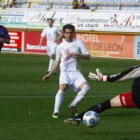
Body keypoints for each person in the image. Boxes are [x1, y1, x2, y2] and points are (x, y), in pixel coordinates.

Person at [64, 65, 140, 125]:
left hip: (136, 98)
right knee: (107, 104)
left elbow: (124, 75)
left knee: (106, 104)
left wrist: (104, 78)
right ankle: (78, 118)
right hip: (134, 97)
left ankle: (78, 118)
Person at [43, 24, 90, 119]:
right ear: (63, 33)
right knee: (63, 88)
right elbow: (57, 62)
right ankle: (56, 111)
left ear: (74, 33)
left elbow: (88, 56)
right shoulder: (60, 46)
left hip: (76, 72)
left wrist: (77, 54)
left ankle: (72, 105)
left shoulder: (79, 43)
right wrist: (50, 74)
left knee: (86, 87)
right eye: (67, 32)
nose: (69, 34)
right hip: (65, 72)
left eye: (71, 32)